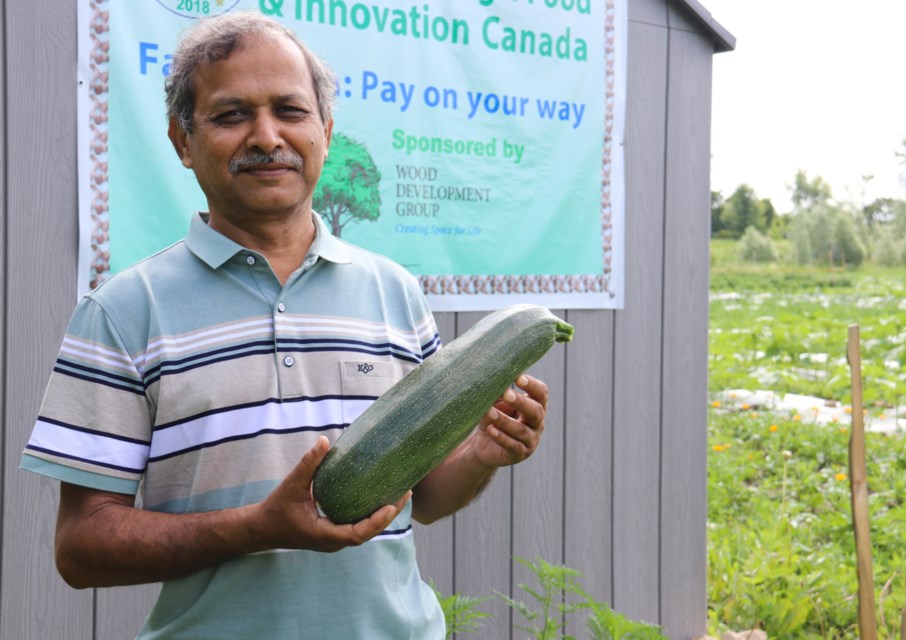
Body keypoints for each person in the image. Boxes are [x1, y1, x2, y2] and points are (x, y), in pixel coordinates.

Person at [20, 12, 548, 639]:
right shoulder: (122, 312)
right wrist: (256, 529)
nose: (266, 136)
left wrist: (481, 455)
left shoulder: (394, 292)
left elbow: (427, 498)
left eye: (290, 111)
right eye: (231, 114)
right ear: (182, 141)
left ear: (325, 130)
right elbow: (80, 549)